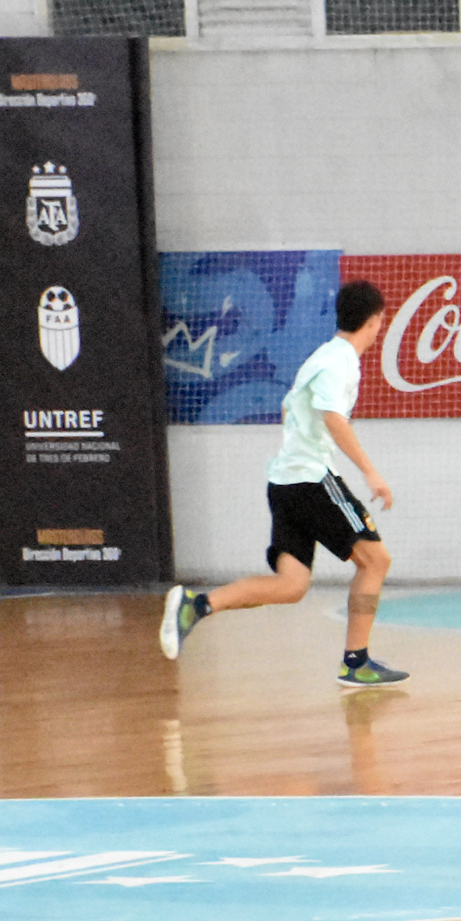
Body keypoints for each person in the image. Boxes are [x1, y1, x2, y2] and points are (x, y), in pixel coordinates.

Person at [158, 280, 405, 686]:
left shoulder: (322, 357)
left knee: (291, 585)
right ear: (376, 320)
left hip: (284, 483)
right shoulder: (340, 361)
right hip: (310, 480)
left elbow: (294, 410)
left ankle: (196, 605)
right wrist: (370, 472)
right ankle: (356, 661)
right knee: (376, 561)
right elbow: (332, 417)